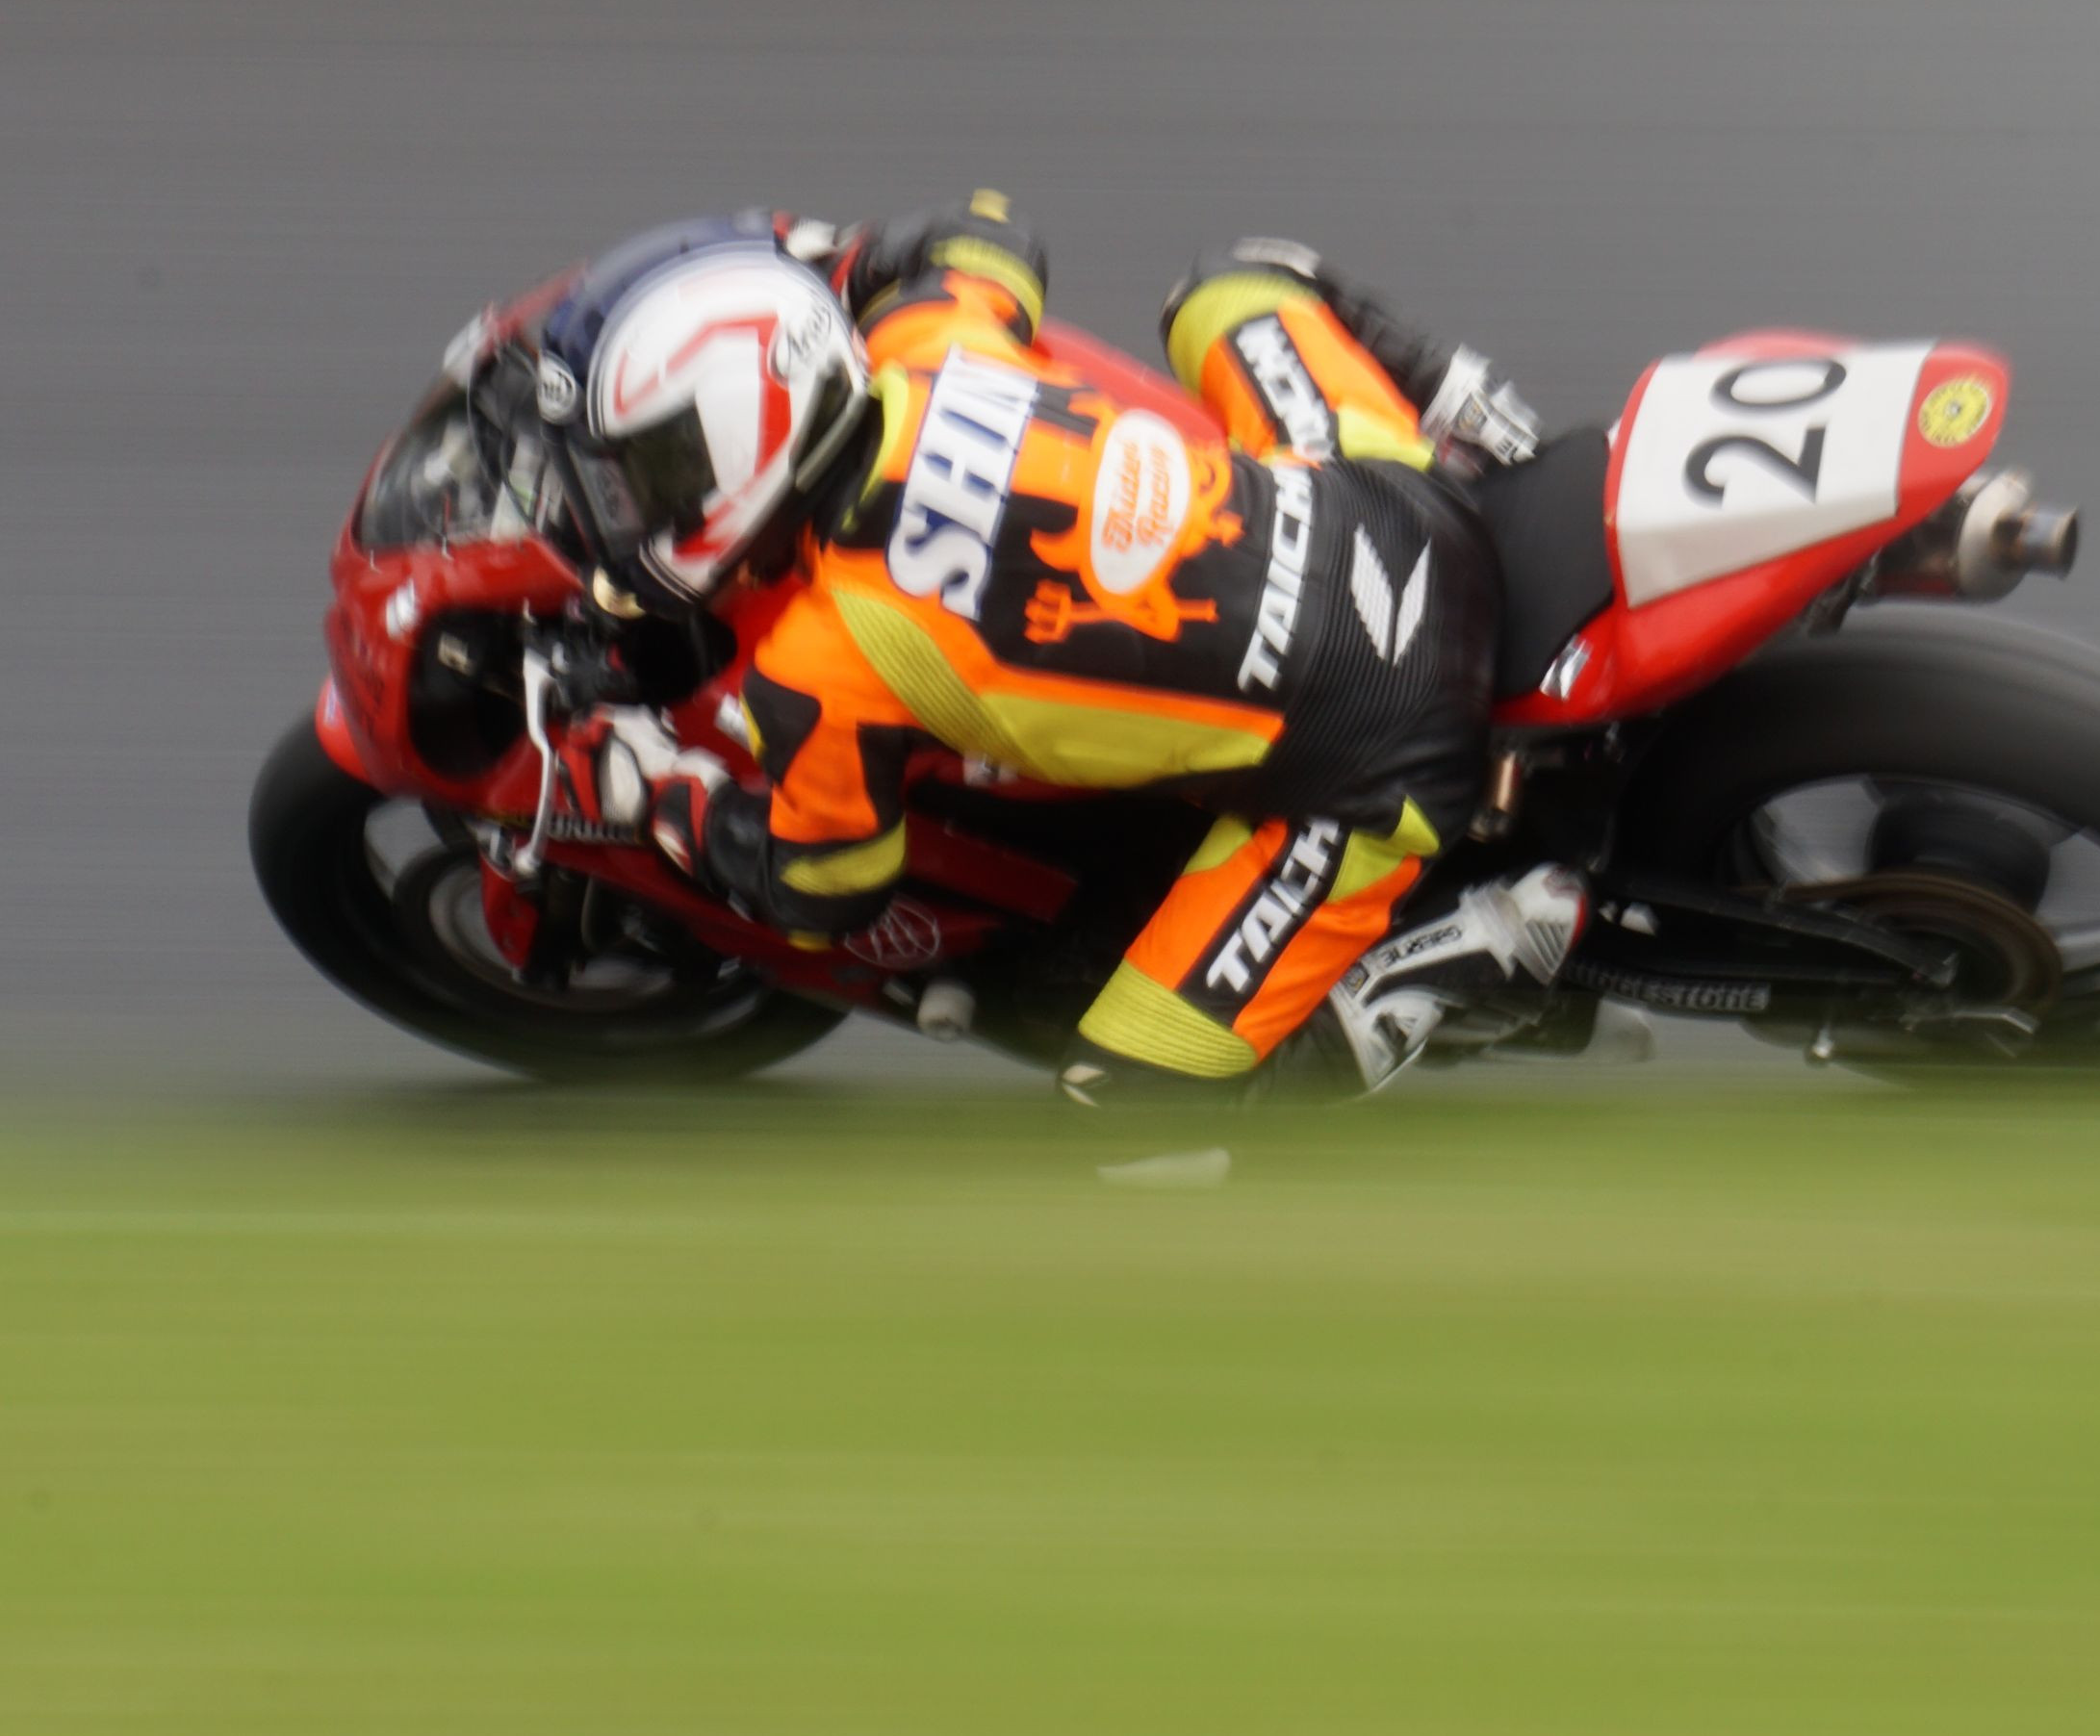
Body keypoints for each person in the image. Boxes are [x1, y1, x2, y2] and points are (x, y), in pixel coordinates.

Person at [522, 191, 1584, 1103]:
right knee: (1233, 282)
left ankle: (1445, 966)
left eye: (642, 478)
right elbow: (985, 234)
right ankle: (1486, 434)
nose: (622, 511)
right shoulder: (926, 341)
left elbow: (824, 891)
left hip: (1377, 767)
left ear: (735, 451)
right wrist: (835, 259)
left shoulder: (822, 662)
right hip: (1399, 505)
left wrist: (651, 792)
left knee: (1119, 1099)